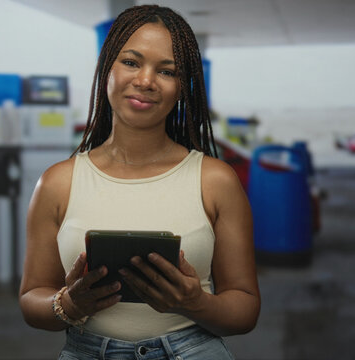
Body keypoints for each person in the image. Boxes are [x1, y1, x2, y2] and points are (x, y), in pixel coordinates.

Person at [19, 5, 260, 359]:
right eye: (131, 62)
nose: (146, 81)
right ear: (107, 70)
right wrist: (68, 303)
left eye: (167, 71)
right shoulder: (58, 182)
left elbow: (245, 309)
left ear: (182, 87)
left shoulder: (215, 180)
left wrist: (194, 303)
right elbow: (30, 299)